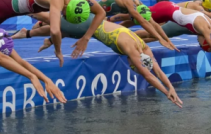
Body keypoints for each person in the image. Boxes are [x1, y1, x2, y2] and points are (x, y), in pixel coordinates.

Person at [16, 14, 183, 108]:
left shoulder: (144, 49)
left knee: (64, 31)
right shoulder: (131, 49)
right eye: (135, 67)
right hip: (88, 25)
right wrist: (166, 93)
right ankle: (23, 8)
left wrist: (170, 89)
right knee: (55, 23)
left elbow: (157, 71)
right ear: (134, 62)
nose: (135, 68)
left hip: (90, 25)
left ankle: (33, 34)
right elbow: (149, 76)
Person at [100, 0, 177, 50]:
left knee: (131, 20)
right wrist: (160, 39)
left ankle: (113, 25)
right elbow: (143, 22)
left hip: (114, 10)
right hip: (99, 9)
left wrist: (167, 40)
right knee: (132, 19)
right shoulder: (129, 3)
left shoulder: (141, 7)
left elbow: (154, 24)